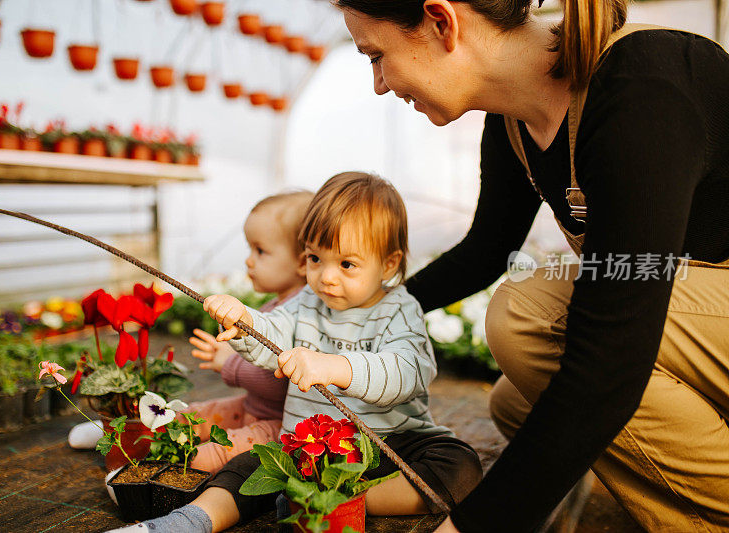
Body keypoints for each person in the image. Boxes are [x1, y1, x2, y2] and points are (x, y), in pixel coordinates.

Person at [337, 0, 729, 532]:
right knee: (516, 402)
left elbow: (610, 364)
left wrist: (471, 525)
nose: (380, 83)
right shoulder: (514, 124)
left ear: (441, 21)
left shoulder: (640, 88)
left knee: (531, 315)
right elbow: (483, 252)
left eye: (376, 55)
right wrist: (351, 313)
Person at [108, 172, 483, 533]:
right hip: (304, 448)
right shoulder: (307, 302)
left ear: (388, 263)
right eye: (315, 258)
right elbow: (275, 333)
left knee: (459, 466)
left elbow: (407, 373)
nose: (326, 276)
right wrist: (244, 320)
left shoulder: (400, 310)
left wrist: (334, 367)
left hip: (387, 441)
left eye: (347, 263)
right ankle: (184, 523)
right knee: (243, 470)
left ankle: (340, 501)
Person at [183, 190, 313, 473]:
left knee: (207, 456)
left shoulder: (303, 314)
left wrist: (229, 364)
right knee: (195, 414)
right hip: (252, 406)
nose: (249, 261)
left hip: (278, 427)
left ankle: (154, 465)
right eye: (249, 249)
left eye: (260, 250)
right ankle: (132, 433)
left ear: (303, 262)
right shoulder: (273, 305)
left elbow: (278, 383)